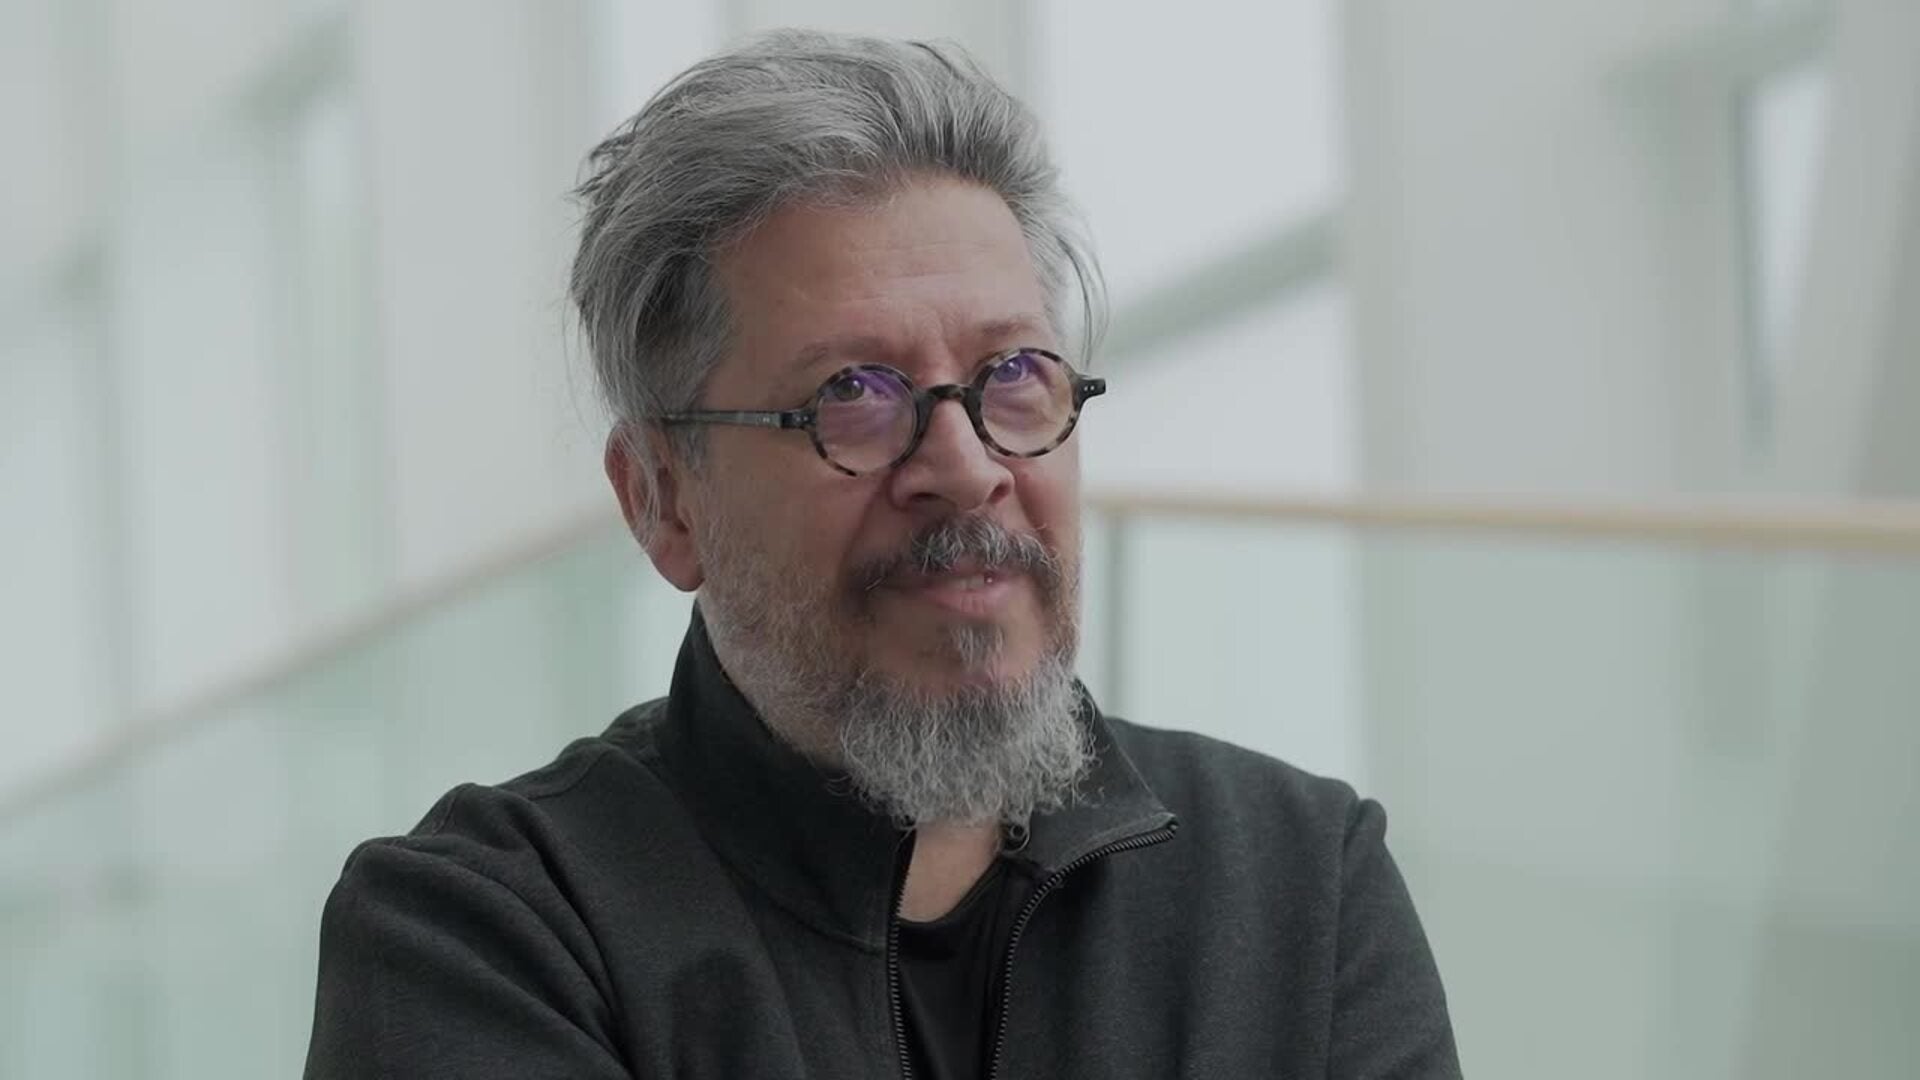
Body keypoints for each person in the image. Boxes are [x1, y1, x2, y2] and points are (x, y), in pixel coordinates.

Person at [303, 29, 1460, 1080]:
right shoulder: (485, 935)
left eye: (1015, 374)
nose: (964, 465)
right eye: (851, 394)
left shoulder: (1300, 884)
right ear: (663, 498)